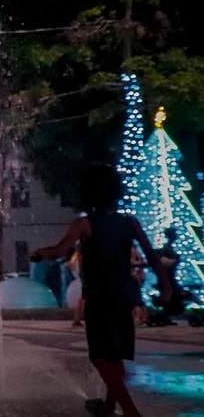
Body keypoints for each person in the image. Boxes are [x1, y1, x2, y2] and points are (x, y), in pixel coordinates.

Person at [31, 164, 165, 417]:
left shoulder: (85, 223)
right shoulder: (129, 222)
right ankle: (109, 407)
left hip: (100, 298)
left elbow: (61, 249)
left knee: (101, 358)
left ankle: (130, 411)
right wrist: (166, 286)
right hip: (122, 296)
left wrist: (39, 253)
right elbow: (151, 255)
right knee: (115, 357)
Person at [67, 247, 86, 328]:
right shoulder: (79, 260)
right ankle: (77, 320)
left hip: (81, 282)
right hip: (83, 282)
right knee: (82, 300)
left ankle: (77, 320)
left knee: (81, 300)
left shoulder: (75, 259)